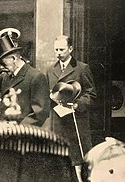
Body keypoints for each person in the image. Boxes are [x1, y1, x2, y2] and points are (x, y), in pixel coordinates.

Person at [44, 35, 97, 182]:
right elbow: (47, 93)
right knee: (58, 156)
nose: (58, 53)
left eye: (62, 49)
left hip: (75, 121)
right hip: (57, 121)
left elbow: (91, 94)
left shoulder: (82, 68)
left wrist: (77, 104)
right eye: (56, 50)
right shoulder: (50, 70)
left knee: (77, 160)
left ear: (71, 49)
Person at [0, 34, 50, 125]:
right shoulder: (6, 76)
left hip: (23, 133)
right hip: (5, 131)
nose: (2, 68)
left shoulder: (36, 77)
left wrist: (19, 129)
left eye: (4, 64)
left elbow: (40, 113)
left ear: (14, 58)